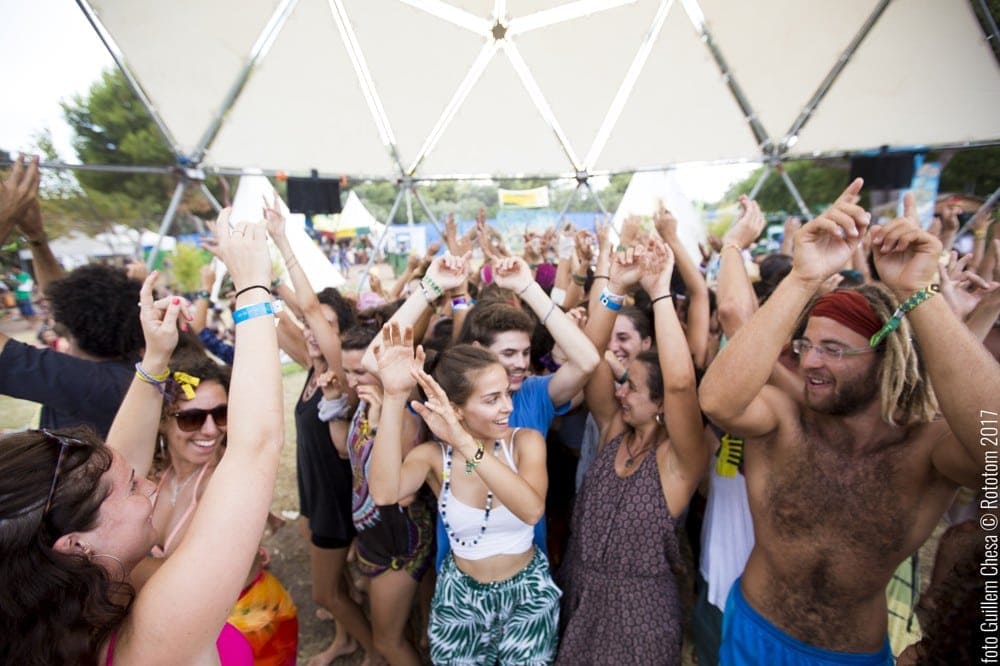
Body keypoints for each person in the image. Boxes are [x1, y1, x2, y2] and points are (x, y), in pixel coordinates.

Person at [699, 181, 999, 664]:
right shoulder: (785, 418)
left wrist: (919, 293)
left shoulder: (926, 448)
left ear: (886, 359)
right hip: (751, 634)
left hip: (850, 656)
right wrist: (803, 278)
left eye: (834, 350)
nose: (810, 361)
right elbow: (717, 401)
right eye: (807, 345)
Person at [0, 209, 284, 664]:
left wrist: (155, 359)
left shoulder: (59, 612)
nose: (149, 484)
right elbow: (255, 449)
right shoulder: (158, 634)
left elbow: (118, 459)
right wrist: (253, 286)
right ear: (76, 546)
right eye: (132, 487)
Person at [369, 325, 561, 664]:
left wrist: (463, 441)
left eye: (506, 393)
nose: (507, 407)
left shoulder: (525, 442)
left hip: (528, 593)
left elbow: (531, 510)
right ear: (455, 409)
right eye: (492, 399)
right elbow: (385, 494)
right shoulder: (432, 458)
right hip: (459, 597)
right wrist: (395, 398)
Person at [557, 235, 708, 664]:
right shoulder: (613, 431)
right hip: (580, 593)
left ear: (661, 405)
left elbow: (681, 384)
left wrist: (659, 292)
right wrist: (615, 288)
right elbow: (589, 357)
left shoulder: (679, 460)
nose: (620, 391)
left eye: (633, 388)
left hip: (640, 616)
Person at [0, 263, 145, 437]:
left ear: (68, 326)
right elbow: (59, 299)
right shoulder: (136, 369)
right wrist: (39, 247)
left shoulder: (83, 382)